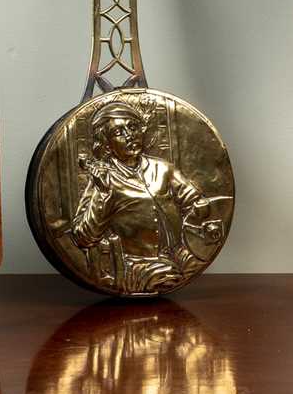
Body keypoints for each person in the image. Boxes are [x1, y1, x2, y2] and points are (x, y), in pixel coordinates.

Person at [70, 99, 224, 293]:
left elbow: (192, 199)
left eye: (133, 127)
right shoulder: (104, 180)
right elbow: (83, 238)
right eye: (118, 132)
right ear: (107, 145)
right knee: (168, 279)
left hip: (180, 253)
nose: (129, 135)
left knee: (192, 268)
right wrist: (102, 194)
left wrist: (200, 209)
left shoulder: (163, 169)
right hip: (139, 264)